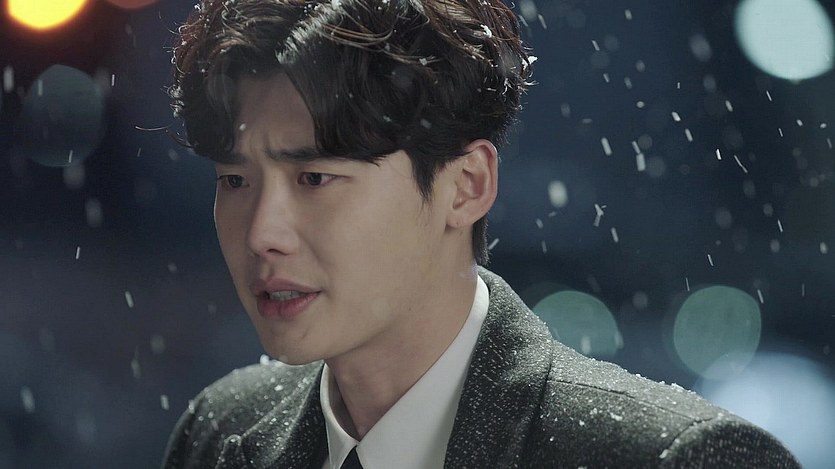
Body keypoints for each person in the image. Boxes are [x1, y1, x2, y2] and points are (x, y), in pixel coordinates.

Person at [162, 1, 800, 467]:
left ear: (465, 185)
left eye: (315, 178)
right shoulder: (220, 435)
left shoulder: (670, 457)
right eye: (234, 181)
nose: (261, 234)